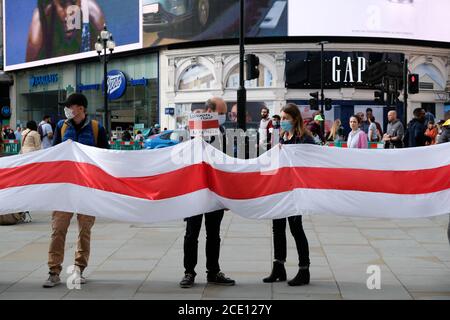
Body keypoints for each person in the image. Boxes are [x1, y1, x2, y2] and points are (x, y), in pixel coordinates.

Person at [43, 93, 108, 288]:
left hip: (87, 188)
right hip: (64, 188)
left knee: (84, 231)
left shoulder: (97, 128)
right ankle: (53, 271)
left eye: (70, 106)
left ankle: (79, 269)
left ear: (81, 108)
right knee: (58, 229)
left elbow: (106, 156)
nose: (67, 110)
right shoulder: (61, 126)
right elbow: (54, 154)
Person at [180, 97, 235, 289]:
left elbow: (227, 164)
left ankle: (213, 271)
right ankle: (189, 272)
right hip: (194, 190)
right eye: (220, 113)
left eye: (224, 114)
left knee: (214, 234)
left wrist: (227, 196)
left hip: (214, 192)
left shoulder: (223, 132)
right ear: (208, 111)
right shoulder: (192, 130)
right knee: (191, 234)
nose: (223, 117)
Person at [263, 103, 314, 286]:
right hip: (281, 190)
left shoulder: (304, 139)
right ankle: (279, 267)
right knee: (277, 227)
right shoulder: (284, 137)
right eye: (281, 118)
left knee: (295, 228)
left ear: (295, 119)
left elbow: (309, 164)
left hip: (295, 192)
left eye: (286, 118)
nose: (282, 121)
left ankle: (304, 269)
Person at [26, 0, 105, 62]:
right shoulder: (40, 25)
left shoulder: (94, 17)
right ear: (54, 2)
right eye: (62, 4)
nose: (69, 12)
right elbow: (28, 77)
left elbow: (109, 66)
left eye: (74, 2)